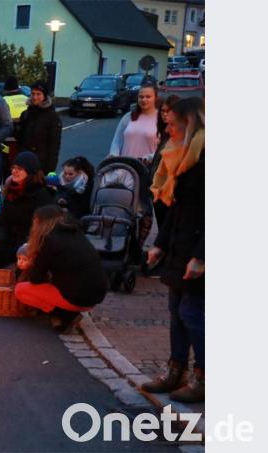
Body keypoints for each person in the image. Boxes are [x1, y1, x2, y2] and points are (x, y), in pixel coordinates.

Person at [142, 97, 205, 403]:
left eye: (172, 120)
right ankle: (175, 371)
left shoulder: (205, 157)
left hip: (197, 247)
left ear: (189, 121)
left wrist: (202, 256)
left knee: (191, 313)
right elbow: (176, 208)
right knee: (176, 312)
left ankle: (204, 377)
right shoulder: (181, 155)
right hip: (179, 242)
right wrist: (160, 244)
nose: (166, 123)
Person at [14, 205, 108, 332]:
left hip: (76, 298)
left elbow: (36, 279)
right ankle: (66, 314)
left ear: (38, 222)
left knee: (21, 290)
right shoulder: (76, 232)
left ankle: (63, 315)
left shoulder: (48, 240)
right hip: (95, 296)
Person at [0, 152, 55, 268]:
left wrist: (23, 247)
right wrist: (1, 240)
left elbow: (41, 229)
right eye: (13, 168)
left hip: (29, 244)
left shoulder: (42, 195)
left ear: (30, 171)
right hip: (9, 242)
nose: (14, 171)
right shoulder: (12, 191)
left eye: (19, 169)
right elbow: (3, 221)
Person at [16, 80, 62, 174]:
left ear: (44, 96)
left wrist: (50, 170)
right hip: (25, 161)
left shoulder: (53, 117)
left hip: (42, 164)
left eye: (38, 94)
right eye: (33, 94)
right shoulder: (26, 114)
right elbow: (20, 138)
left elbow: (54, 145)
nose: (35, 97)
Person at [109, 83, 160, 163]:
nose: (144, 100)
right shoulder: (128, 117)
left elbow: (164, 148)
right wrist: (113, 155)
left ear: (156, 98)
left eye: (148, 97)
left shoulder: (161, 119)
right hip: (125, 169)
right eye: (141, 97)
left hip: (147, 170)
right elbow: (117, 140)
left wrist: (147, 158)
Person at [151, 94, 181, 228]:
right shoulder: (165, 133)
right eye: (162, 111)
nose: (164, 114)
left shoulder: (179, 135)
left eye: (168, 111)